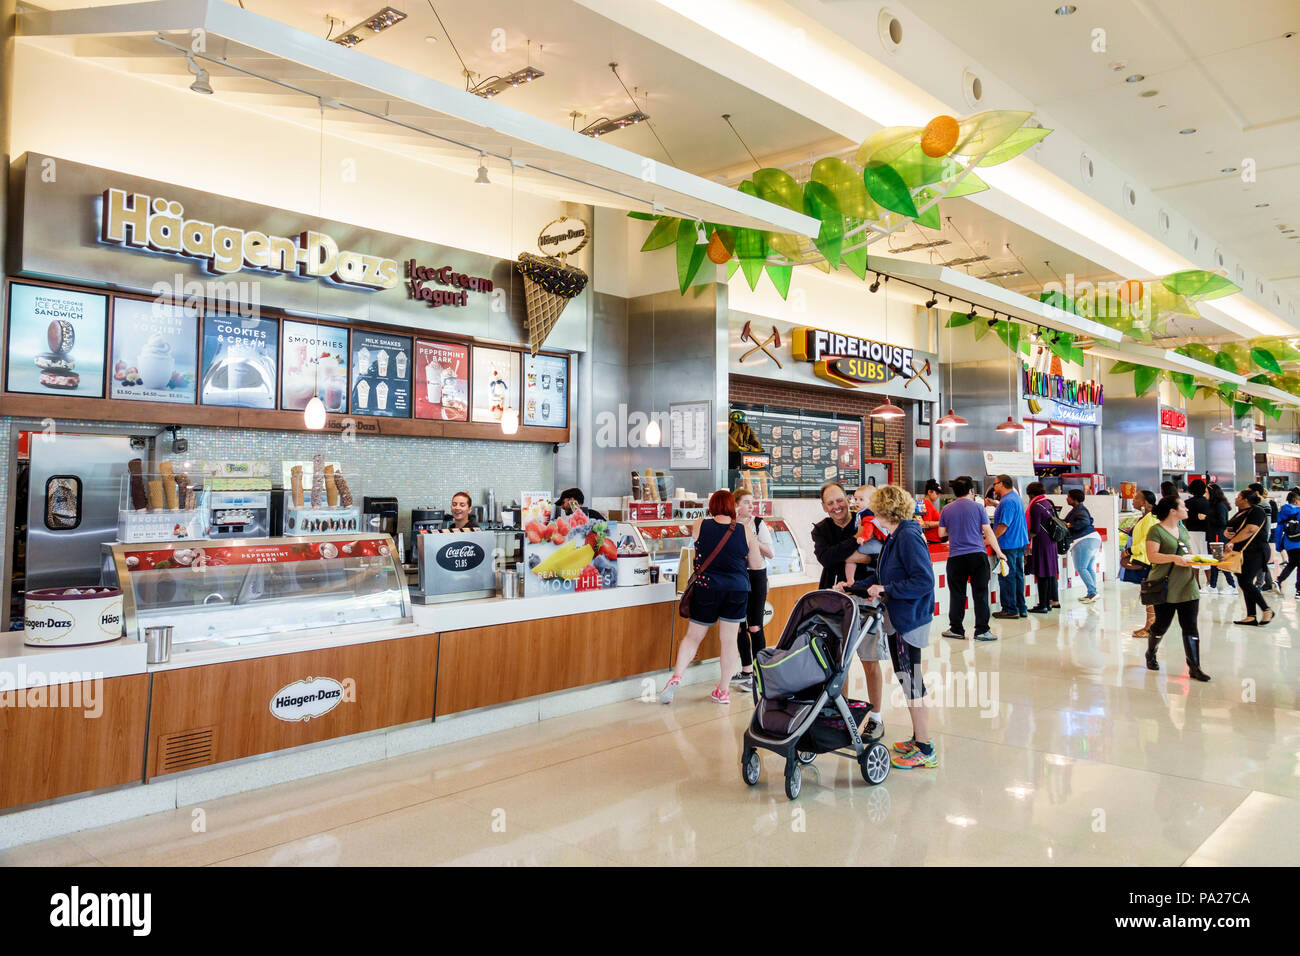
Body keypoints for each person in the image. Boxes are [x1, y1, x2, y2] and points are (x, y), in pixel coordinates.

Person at [835, 485, 937, 768]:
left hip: (909, 619)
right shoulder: (895, 536)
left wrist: (887, 588)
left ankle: (925, 748)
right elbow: (881, 575)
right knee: (907, 679)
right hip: (898, 617)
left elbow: (923, 580)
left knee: (911, 681)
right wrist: (853, 587)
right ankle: (918, 738)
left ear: (885, 510)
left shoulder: (908, 536)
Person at [659, 490, 762, 706]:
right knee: (729, 641)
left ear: (712, 506)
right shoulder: (745, 530)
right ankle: (723, 691)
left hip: (707, 587)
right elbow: (756, 565)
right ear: (732, 507)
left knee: (693, 636)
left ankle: (676, 678)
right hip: (737, 590)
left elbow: (696, 548)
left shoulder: (700, 524)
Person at [1143, 496, 1210, 682]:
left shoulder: (1182, 529)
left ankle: (1195, 667)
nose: (1187, 509)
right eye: (1183, 506)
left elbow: (1186, 553)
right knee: (1161, 625)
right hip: (1165, 586)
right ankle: (1151, 653)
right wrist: (1173, 558)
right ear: (1173, 511)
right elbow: (1152, 556)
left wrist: (1197, 559)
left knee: (1190, 627)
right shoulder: (1156, 531)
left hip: (1188, 585)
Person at [938, 476, 1005, 642]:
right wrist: (999, 552)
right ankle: (982, 631)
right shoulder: (978, 508)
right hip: (977, 556)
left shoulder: (946, 509)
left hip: (956, 558)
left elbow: (941, 534)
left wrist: (955, 529)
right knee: (981, 594)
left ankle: (956, 629)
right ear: (971, 491)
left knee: (957, 594)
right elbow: (988, 532)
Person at [730, 489, 775, 693]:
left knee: (755, 626)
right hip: (736, 577)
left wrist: (750, 537)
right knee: (739, 626)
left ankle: (760, 674)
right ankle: (746, 670)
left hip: (756, 577)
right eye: (746, 502)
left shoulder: (758, 524)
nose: (750, 506)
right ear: (735, 504)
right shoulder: (729, 524)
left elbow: (771, 553)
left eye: (752, 502)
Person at [1225, 489, 1273, 626]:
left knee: (1245, 581)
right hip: (1243, 552)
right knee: (1244, 581)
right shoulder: (1240, 512)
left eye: (1239, 496)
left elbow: (1250, 529)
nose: (1236, 498)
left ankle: (1266, 609)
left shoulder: (1257, 511)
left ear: (1246, 500)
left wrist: (1232, 541)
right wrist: (1228, 533)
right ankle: (1251, 616)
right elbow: (1232, 527)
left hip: (1256, 550)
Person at [990, 475, 1029, 619]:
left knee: (1007, 576)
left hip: (1008, 544)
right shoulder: (1015, 498)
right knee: (1018, 575)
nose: (994, 487)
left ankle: (1010, 608)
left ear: (1001, 484)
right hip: (1019, 542)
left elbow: (1003, 526)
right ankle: (1021, 607)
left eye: (995, 484)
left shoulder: (1007, 502)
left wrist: (990, 539)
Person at [811, 482, 860, 589]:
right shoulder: (820, 529)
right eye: (830, 503)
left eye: (839, 500)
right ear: (824, 507)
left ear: (848, 500)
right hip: (831, 592)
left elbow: (876, 557)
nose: (836, 506)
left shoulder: (863, 522)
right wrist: (856, 538)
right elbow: (826, 559)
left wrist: (838, 556)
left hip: (864, 590)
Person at [1125, 490, 1160, 638]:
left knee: (1150, 595)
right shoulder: (1146, 517)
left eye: (1136, 498)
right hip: (1146, 560)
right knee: (1148, 594)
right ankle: (1150, 626)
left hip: (1147, 561)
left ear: (1145, 503)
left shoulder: (1151, 519)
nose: (1133, 501)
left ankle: (1151, 627)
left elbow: (1148, 541)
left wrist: (1129, 551)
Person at [1026, 482, 1061, 612]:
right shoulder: (1048, 503)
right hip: (1051, 542)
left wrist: (1026, 539)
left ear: (1031, 493)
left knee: (1042, 574)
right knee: (1048, 573)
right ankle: (1047, 603)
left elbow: (1035, 529)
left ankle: (1043, 605)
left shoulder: (1035, 506)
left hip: (1041, 543)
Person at [1064, 488, 1101, 603]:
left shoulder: (1079, 510)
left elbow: (1085, 522)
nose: (1067, 498)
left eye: (1068, 496)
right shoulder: (1079, 509)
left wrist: (1069, 525)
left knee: (1081, 567)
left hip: (1084, 539)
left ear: (1074, 499)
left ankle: (1093, 593)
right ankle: (1092, 593)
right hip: (1092, 539)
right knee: (1088, 567)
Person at [1205, 483, 1237, 595]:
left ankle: (1232, 585)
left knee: (1220, 562)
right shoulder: (1213, 505)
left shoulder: (1220, 506)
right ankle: (1213, 585)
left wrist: (1207, 517)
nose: (1205, 495)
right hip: (1213, 536)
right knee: (1214, 562)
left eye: (1207, 492)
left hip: (1218, 537)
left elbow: (1222, 522)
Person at [1247, 482, 1277, 592]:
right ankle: (1269, 583)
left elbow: (1267, 523)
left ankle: (1258, 584)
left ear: (1256, 492)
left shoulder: (1263, 504)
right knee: (1261, 561)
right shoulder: (1257, 504)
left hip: (1260, 537)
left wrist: (1265, 536)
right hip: (1257, 537)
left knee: (1259, 560)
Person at [1275, 489, 1300, 599]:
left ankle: (1279, 580)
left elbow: (1278, 529)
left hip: (1289, 543)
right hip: (1299, 542)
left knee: (1292, 563)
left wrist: (1279, 545)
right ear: (1296, 501)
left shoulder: (1282, 512)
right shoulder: (1299, 511)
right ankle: (1299, 590)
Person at [918, 478, 942, 544]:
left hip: (931, 539)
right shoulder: (926, 503)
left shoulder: (923, 502)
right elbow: (925, 523)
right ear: (929, 492)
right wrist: (942, 522)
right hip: (931, 540)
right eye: (936, 493)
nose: (938, 496)